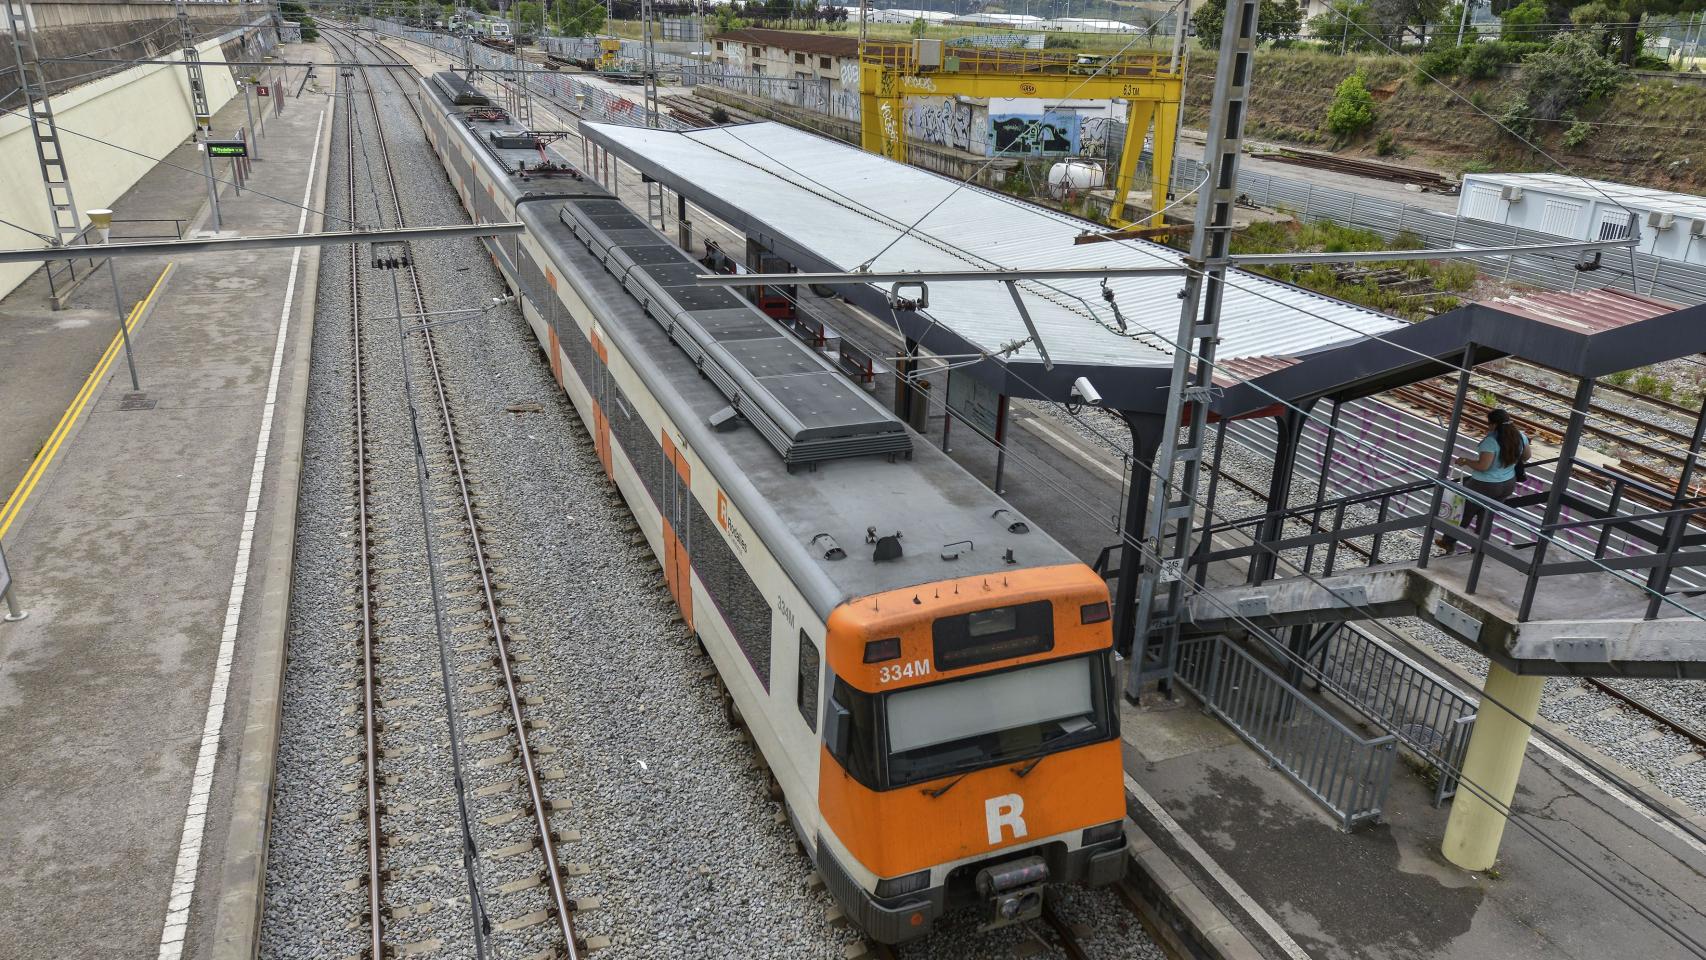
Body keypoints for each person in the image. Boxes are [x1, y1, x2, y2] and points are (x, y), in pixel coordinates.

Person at [1437, 408, 1529, 554]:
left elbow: (1483, 466)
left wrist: (1466, 461)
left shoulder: (1491, 442)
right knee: (1486, 515)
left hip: (1484, 485)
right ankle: (1478, 548)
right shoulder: (1520, 436)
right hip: (1508, 484)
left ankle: (1448, 542)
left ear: (1493, 424)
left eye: (1489, 424)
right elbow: (1526, 457)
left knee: (1463, 513)